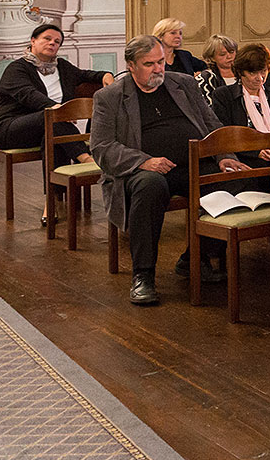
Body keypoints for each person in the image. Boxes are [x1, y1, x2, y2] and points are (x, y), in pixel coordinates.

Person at [92, 36, 238, 306]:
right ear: (131, 65)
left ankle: (194, 258)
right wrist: (142, 161)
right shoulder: (110, 96)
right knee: (151, 188)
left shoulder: (182, 83)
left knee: (230, 183)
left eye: (160, 61)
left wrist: (224, 155)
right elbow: (101, 147)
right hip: (141, 170)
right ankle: (143, 275)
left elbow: (212, 124)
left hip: (193, 164)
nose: (158, 69)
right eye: (149, 64)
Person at [0, 22, 113, 223]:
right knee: (50, 118)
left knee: (52, 136)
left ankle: (52, 201)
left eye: (57, 41)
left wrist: (106, 76)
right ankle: (85, 158)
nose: (52, 43)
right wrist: (57, 108)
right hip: (11, 129)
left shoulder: (63, 67)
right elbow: (28, 95)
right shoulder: (17, 68)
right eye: (47, 39)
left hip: (49, 129)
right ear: (33, 41)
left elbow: (88, 75)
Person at [209, 42, 270, 163]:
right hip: (242, 157)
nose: (260, 78)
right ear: (240, 72)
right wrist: (256, 152)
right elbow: (226, 135)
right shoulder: (224, 96)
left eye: (263, 71)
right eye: (252, 73)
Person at [197, 33, 238, 98]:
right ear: (212, 58)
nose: (229, 56)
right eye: (222, 54)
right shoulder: (205, 78)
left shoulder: (245, 74)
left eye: (231, 52)